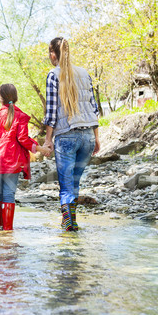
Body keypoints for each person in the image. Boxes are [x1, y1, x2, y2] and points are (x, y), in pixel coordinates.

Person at [42, 37, 100, 231]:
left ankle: (69, 224)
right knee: (75, 181)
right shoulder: (84, 73)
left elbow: (51, 112)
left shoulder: (53, 74)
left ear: (53, 54)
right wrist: (97, 137)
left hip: (66, 136)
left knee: (66, 185)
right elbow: (94, 108)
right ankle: (72, 221)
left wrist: (48, 139)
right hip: (88, 136)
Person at [0, 84, 51, 230]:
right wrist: (40, 148)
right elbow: (23, 138)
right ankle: (7, 230)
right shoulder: (20, 116)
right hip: (12, 160)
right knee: (8, 194)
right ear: (16, 98)